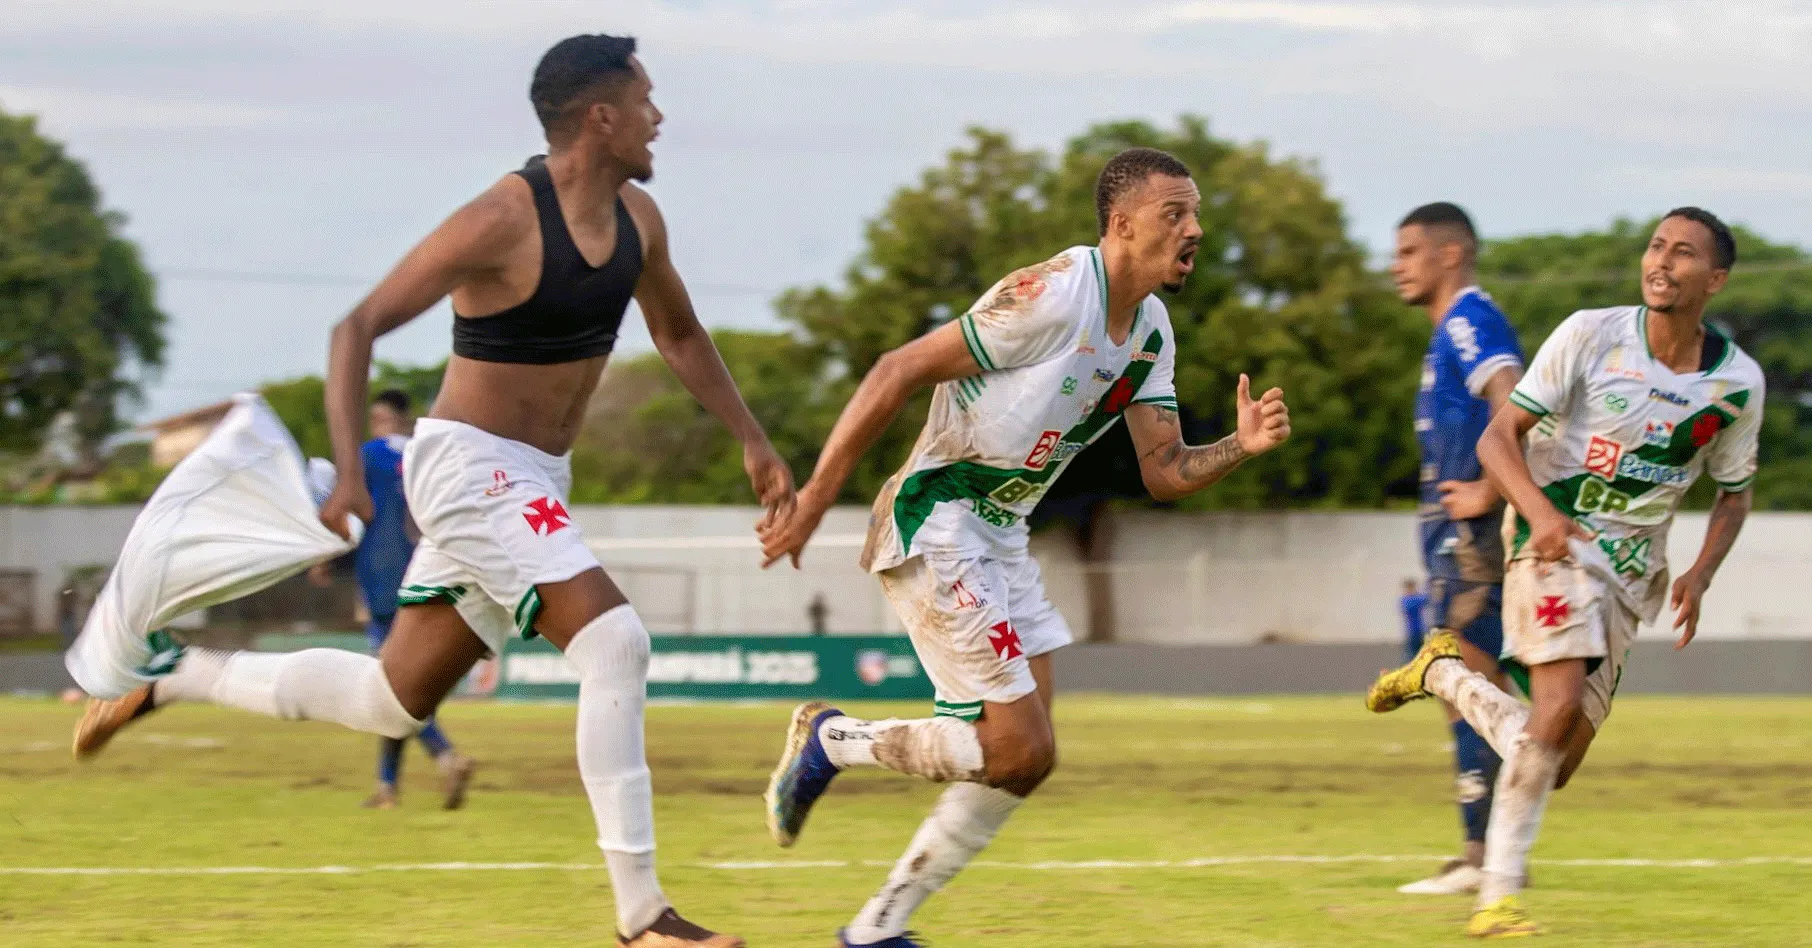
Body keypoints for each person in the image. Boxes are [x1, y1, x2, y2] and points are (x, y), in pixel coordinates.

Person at [72, 34, 792, 948]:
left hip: (532, 478)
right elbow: (357, 327)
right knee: (615, 643)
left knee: (392, 701)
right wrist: (347, 481)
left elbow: (682, 336)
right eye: (647, 99)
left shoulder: (640, 220)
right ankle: (643, 919)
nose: (660, 117)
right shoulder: (501, 217)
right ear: (600, 117)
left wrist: (754, 441)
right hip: (468, 465)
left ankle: (177, 675)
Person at [756, 147, 1292, 948]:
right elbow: (895, 369)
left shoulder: (1149, 330)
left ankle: (877, 926)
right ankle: (833, 739)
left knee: (1025, 759)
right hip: (937, 520)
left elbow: (1165, 470)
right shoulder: (1051, 295)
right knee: (1018, 743)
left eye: (1196, 213)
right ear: (1121, 223)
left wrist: (1240, 447)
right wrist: (811, 502)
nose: (1196, 230)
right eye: (1175, 214)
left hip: (999, 536)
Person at [1368, 208, 1762, 938]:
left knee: (1553, 758)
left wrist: (1701, 574)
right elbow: (1497, 437)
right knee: (1549, 717)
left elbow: (1735, 491)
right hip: (1552, 542)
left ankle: (1444, 673)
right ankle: (1498, 897)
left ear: (1716, 279)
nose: (1662, 262)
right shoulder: (1591, 333)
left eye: (1683, 254)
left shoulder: (1737, 383)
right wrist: (1540, 516)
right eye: (1655, 246)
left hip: (1633, 572)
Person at [1388, 202, 1525, 896]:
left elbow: (1514, 397)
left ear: (1450, 255)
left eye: (1409, 252)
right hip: (1451, 543)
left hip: (1473, 543)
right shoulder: (1448, 331)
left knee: (1472, 688)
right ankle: (1483, 850)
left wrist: (1487, 493)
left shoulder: (1470, 319)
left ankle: (1488, 857)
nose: (1395, 265)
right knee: (1464, 691)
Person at [328, 388, 476, 810]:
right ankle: (387, 788)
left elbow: (352, 511)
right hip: (430, 575)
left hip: (381, 580)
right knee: (397, 686)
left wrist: (327, 559)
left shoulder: (368, 456)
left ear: (379, 418)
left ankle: (446, 756)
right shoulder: (429, 455)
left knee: (390, 689)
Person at [1399, 577, 1428, 660]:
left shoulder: (1410, 599)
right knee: (1412, 657)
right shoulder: (1407, 600)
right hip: (1412, 633)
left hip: (1420, 632)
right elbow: (1426, 598)